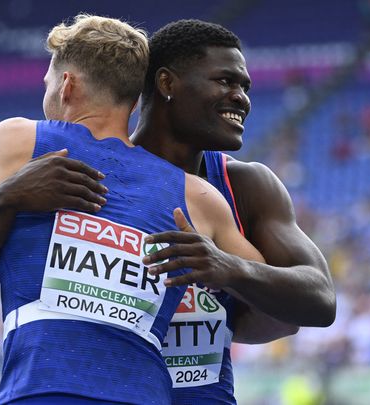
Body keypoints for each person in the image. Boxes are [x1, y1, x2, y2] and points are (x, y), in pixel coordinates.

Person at [0, 14, 264, 404]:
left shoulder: (17, 140)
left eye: (48, 83)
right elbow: (270, 292)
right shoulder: (196, 195)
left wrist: (8, 199)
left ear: (65, 86)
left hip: (39, 392)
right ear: (135, 101)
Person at [130, 20, 336, 403]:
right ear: (166, 83)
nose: (241, 97)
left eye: (244, 86)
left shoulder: (246, 185)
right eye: (225, 81)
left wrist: (228, 269)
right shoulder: (98, 174)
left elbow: (320, 300)